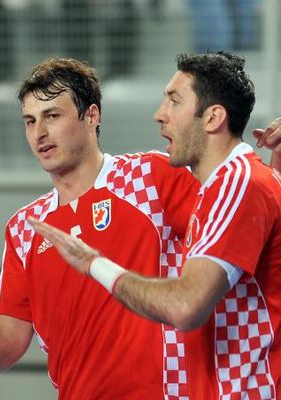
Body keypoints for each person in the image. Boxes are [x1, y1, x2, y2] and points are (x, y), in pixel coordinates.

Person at [29, 51, 281, 398]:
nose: (159, 115)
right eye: (29, 120)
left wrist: (93, 264)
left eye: (174, 101)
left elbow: (185, 307)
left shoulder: (238, 181)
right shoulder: (227, 187)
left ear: (213, 118)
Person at [0, 57, 201, 399]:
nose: (39, 133)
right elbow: (7, 342)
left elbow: (235, 227)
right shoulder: (25, 228)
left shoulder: (150, 177)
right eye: (30, 121)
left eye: (52, 116)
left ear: (92, 116)